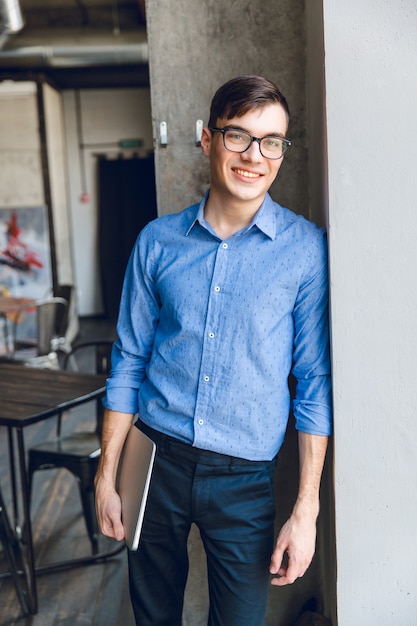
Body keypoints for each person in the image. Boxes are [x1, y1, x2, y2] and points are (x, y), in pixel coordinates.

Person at [95, 75, 332, 626]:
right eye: (238, 136)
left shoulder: (305, 252)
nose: (255, 156)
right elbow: (127, 362)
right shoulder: (157, 242)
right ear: (207, 139)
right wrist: (107, 474)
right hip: (153, 459)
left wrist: (306, 508)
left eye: (271, 141)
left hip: (245, 480)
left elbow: (313, 383)